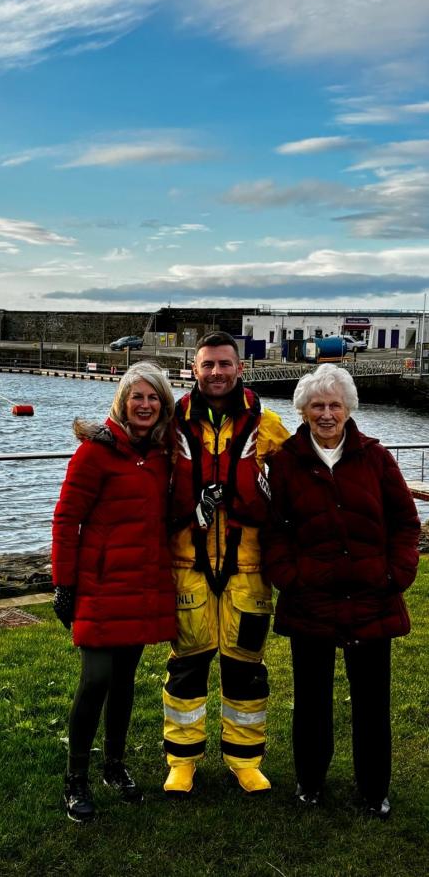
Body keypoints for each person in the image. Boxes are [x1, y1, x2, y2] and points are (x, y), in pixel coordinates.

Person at [262, 364, 420, 818]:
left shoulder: (375, 457)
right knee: (311, 700)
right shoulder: (285, 462)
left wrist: (397, 575)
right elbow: (274, 533)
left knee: (373, 701)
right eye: (317, 405)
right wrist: (290, 578)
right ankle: (310, 783)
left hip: (373, 597)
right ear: (303, 410)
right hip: (311, 597)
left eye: (334, 405)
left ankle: (374, 789)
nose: (326, 414)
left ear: (348, 409)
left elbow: (406, 523)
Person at [162, 332, 289, 796]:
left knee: (246, 669)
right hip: (187, 566)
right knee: (187, 668)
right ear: (193, 370)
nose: (216, 373)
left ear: (241, 369)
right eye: (207, 365)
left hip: (248, 569)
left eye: (224, 364)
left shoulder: (268, 424)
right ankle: (182, 760)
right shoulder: (170, 424)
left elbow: (301, 479)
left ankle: (245, 759)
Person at [52, 361, 177, 822]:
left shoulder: (164, 454)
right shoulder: (95, 453)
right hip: (102, 584)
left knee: (124, 682)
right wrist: (64, 583)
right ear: (122, 401)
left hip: (143, 581)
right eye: (136, 396)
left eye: (153, 398)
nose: (144, 405)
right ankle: (76, 776)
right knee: (96, 679)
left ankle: (114, 764)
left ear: (163, 405)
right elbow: (67, 519)